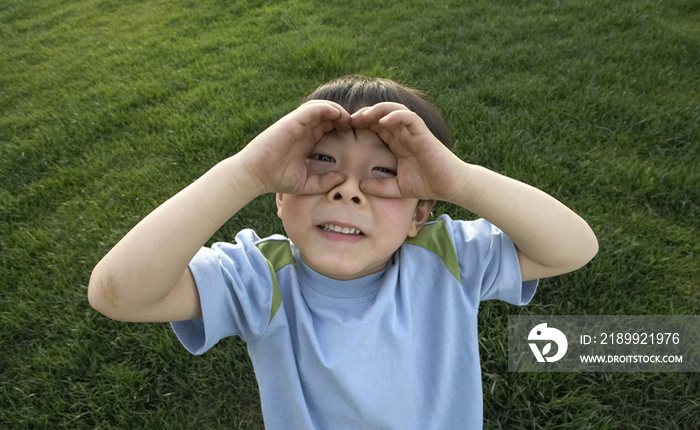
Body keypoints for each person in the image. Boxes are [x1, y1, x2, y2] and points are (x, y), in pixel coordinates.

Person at [88, 75, 598, 429]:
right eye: (323, 162)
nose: (347, 190)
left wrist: (461, 180)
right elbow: (120, 294)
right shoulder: (259, 277)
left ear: (420, 215)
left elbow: (572, 248)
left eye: (383, 172)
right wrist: (244, 173)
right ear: (281, 196)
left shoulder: (447, 259)